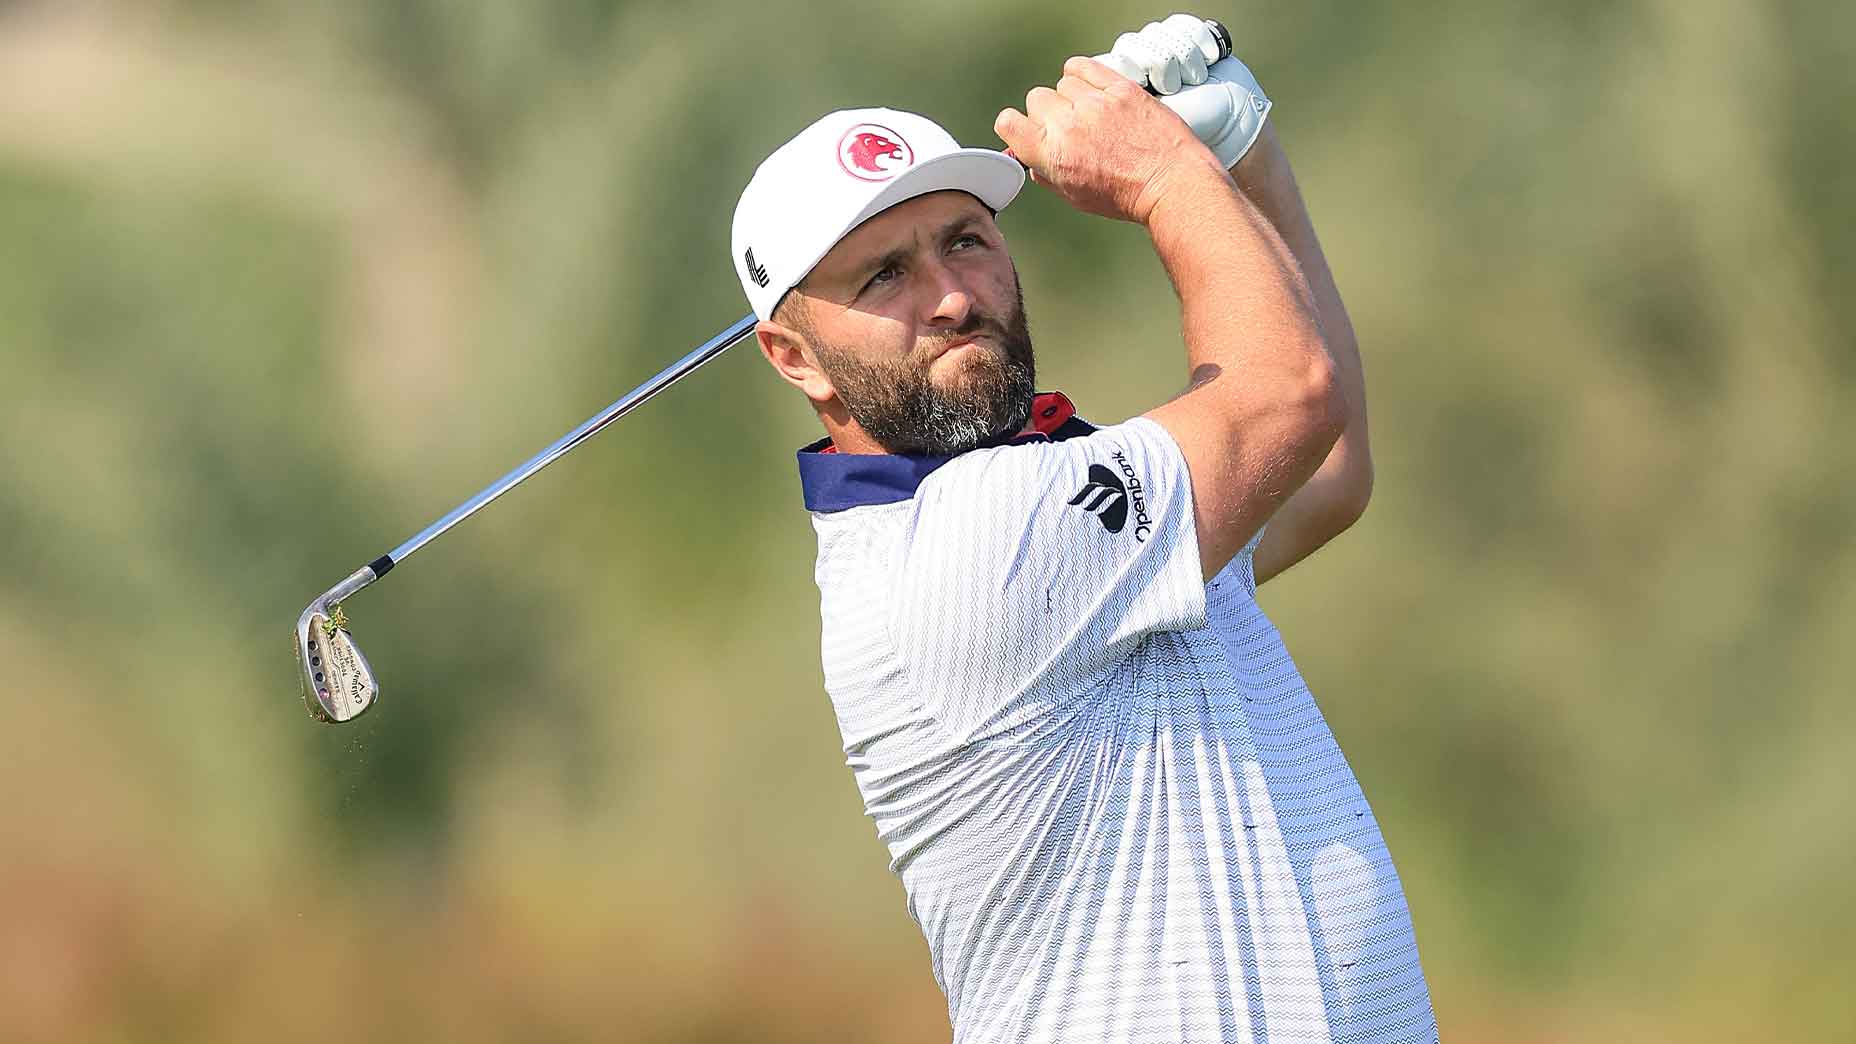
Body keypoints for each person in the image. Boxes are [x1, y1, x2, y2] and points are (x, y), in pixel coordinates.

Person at [729, 16, 1435, 1043]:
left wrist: (1243, 161)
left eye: (963, 240)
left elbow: (1322, 473)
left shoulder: (1064, 497)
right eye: (882, 275)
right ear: (793, 358)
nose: (952, 297)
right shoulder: (959, 551)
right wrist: (1165, 176)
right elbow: (1290, 394)